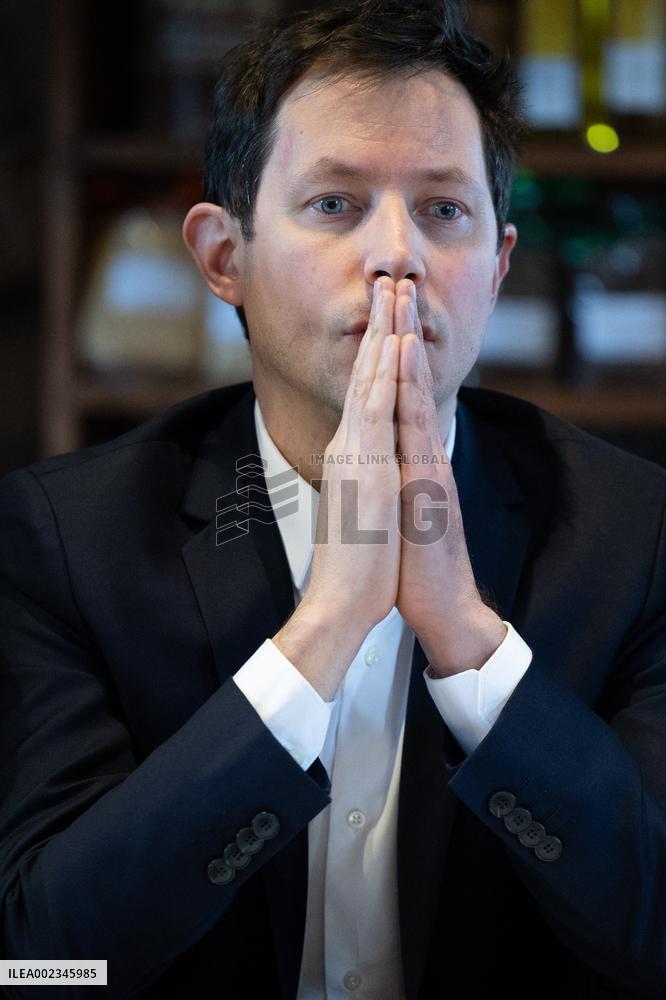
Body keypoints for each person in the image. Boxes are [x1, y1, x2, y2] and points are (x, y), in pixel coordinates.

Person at [1, 1, 665, 997]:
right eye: (335, 205)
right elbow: (44, 965)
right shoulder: (63, 536)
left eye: (443, 210)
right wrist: (324, 627)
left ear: (499, 265)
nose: (396, 253)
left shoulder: (635, 532)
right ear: (225, 257)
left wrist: (467, 639)